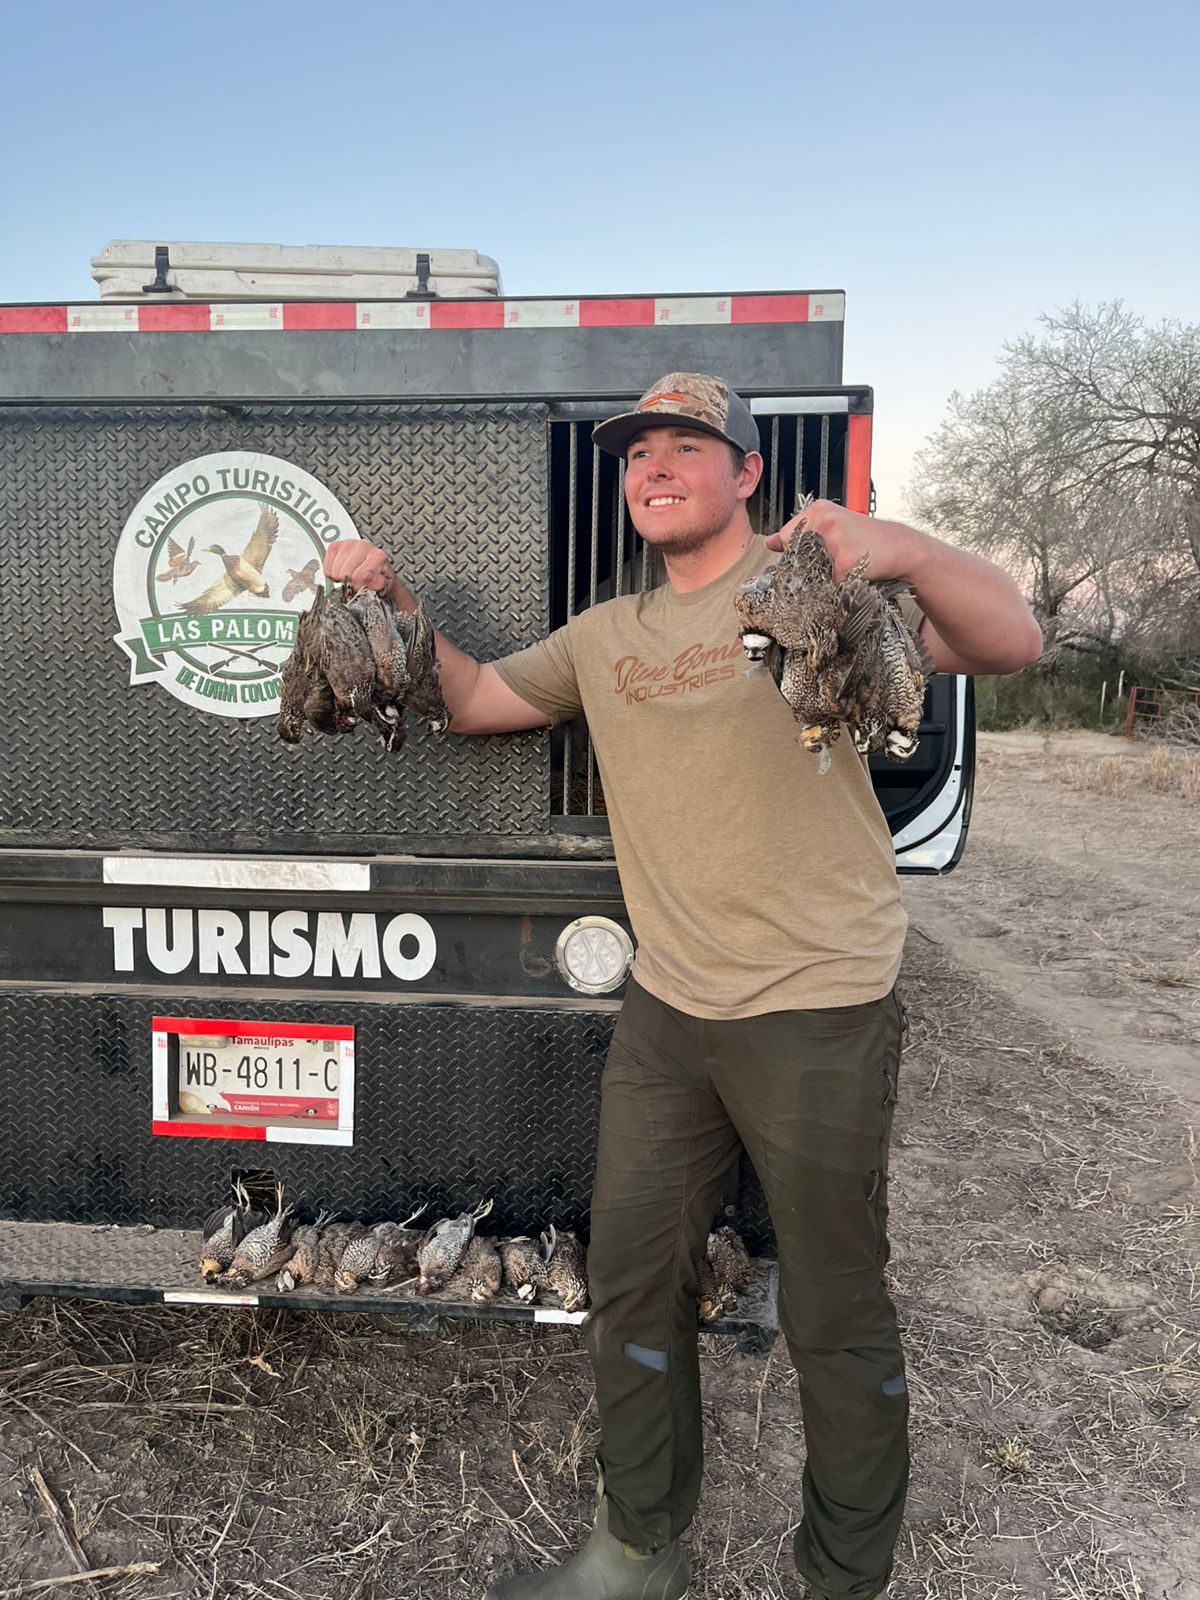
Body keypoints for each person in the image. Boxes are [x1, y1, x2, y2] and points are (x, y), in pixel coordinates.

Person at [323, 374, 1043, 1600]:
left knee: (833, 1303)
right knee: (631, 1277)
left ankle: (843, 1573)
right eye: (638, 453)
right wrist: (394, 605)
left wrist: (904, 544)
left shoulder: (815, 596)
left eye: (688, 448)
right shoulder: (609, 638)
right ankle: (639, 1542)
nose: (656, 467)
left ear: (747, 472)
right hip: (673, 1009)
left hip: (820, 1002)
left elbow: (1010, 642)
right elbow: (479, 698)